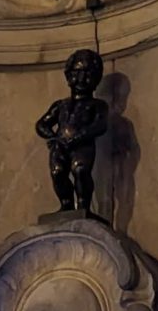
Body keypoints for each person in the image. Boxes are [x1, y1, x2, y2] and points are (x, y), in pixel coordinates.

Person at [36, 48, 109, 215]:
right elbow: (42, 124)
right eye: (76, 73)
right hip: (60, 145)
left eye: (87, 73)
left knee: (80, 170)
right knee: (57, 172)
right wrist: (52, 137)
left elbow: (100, 125)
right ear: (68, 76)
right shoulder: (60, 105)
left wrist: (79, 136)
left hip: (82, 145)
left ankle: (83, 206)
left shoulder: (97, 105)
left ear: (96, 78)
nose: (81, 79)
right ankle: (66, 204)